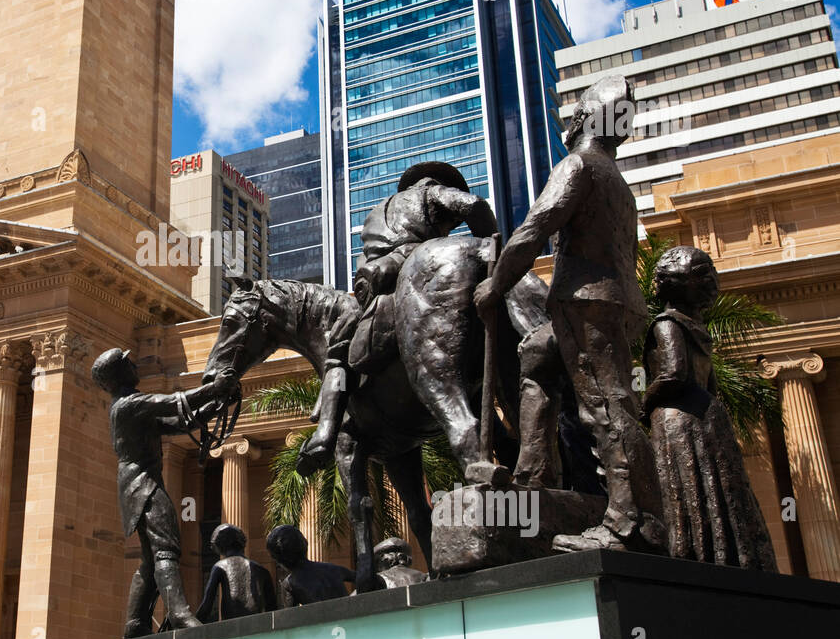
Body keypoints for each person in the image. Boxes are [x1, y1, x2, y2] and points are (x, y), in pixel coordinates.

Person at [474, 74, 666, 554]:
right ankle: (533, 484)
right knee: (537, 356)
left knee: (606, 405)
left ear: (584, 119)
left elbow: (533, 229)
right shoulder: (618, 181)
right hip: (614, 304)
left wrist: (495, 284)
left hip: (587, 303)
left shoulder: (579, 165)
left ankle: (632, 525)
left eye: (577, 110)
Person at [302, 161, 497, 469]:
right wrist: (490, 246)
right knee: (340, 349)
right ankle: (327, 434)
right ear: (433, 183)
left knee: (338, 352)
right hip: (411, 270)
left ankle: (326, 430)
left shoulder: (376, 213)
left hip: (377, 281)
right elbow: (474, 205)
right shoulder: (433, 194)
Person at [643, 247, 777, 570]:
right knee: (723, 492)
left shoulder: (666, 324)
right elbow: (710, 384)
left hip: (678, 419)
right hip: (709, 414)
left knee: (689, 494)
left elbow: (673, 372)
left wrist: (644, 403)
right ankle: (735, 557)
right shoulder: (699, 329)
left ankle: (696, 556)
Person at [92, 348, 237, 638]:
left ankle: (135, 622)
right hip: (143, 485)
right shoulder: (129, 404)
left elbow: (180, 422)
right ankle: (179, 613)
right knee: (166, 548)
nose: (135, 364)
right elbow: (172, 403)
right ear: (121, 372)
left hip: (138, 485)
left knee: (150, 557)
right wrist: (215, 388)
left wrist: (216, 405)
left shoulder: (131, 406)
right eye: (128, 362)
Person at [194, 524, 276, 622]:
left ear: (220, 545)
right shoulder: (262, 570)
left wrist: (192, 628)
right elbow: (273, 609)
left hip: (231, 627)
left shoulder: (220, 566)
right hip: (256, 626)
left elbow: (206, 606)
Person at [265, 525, 355, 606]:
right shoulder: (332, 568)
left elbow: (290, 618)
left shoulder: (289, 584)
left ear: (280, 559)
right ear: (303, 544)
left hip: (323, 623)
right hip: (349, 620)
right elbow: (365, 578)